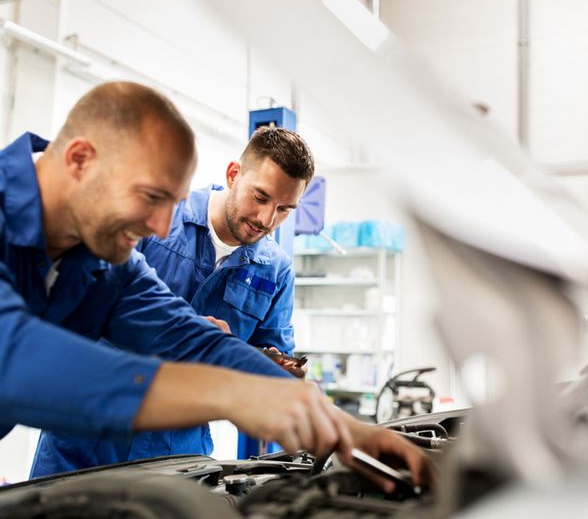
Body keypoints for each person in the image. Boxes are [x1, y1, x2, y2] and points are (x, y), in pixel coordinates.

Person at [0, 81, 432, 490]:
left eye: (171, 203)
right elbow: (14, 356)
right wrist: (228, 393)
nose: (160, 226)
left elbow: (196, 341)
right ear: (79, 159)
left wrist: (343, 426)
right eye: (151, 197)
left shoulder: (107, 261)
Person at [123, 126, 310, 461]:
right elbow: (90, 308)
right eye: (261, 197)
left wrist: (277, 372)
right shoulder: (159, 215)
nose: (267, 219)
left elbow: (268, 366)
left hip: (179, 446)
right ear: (233, 174)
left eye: (285, 209)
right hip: (93, 430)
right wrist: (192, 337)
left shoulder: (275, 270)